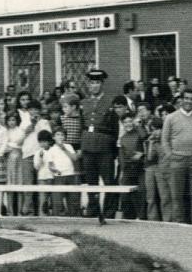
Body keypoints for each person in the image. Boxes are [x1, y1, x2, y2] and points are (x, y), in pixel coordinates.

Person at [162, 89, 192, 225]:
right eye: (187, 98)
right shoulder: (170, 118)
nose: (189, 101)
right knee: (177, 194)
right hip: (177, 159)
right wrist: (170, 155)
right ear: (181, 100)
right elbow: (165, 140)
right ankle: (179, 223)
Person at [80, 69, 118, 218]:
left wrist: (113, 149)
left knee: (108, 180)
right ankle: (93, 209)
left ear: (102, 84)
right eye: (92, 83)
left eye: (97, 83)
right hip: (88, 145)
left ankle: (109, 212)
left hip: (104, 146)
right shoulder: (84, 103)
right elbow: (81, 125)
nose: (94, 86)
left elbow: (115, 127)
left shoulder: (110, 102)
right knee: (91, 180)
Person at [34, 129, 79, 216]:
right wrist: (58, 173)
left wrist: (64, 149)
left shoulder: (69, 146)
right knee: (58, 202)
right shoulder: (52, 150)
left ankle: (73, 217)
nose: (60, 137)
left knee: (73, 201)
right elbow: (50, 166)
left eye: (62, 135)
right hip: (59, 177)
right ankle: (57, 218)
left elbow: (75, 158)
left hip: (71, 175)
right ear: (54, 137)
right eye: (58, 135)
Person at [19, 100, 51, 215]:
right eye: (31, 110)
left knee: (42, 184)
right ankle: (28, 211)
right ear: (28, 111)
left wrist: (38, 125)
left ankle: (42, 211)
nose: (34, 112)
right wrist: (28, 129)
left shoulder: (44, 122)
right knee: (28, 184)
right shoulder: (23, 122)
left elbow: (48, 139)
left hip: (41, 156)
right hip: (27, 155)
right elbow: (18, 140)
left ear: (40, 111)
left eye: (36, 110)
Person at [143, 117, 171, 222]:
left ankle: (168, 220)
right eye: (153, 130)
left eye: (158, 129)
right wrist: (151, 143)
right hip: (153, 168)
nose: (156, 132)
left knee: (165, 196)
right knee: (151, 197)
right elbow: (150, 157)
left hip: (165, 169)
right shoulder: (153, 141)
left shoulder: (168, 140)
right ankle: (153, 219)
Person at [118, 115, 145, 219]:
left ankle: (141, 217)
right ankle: (128, 217)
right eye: (125, 122)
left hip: (140, 167)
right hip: (128, 168)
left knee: (141, 192)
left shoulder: (139, 133)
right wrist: (123, 170)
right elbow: (121, 156)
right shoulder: (122, 138)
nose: (128, 124)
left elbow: (144, 136)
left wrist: (138, 125)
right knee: (125, 193)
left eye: (130, 121)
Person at [4, 112, 27, 215]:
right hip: (8, 159)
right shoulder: (5, 131)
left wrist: (10, 145)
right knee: (9, 184)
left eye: (13, 120)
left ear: (17, 120)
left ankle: (19, 211)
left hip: (19, 159)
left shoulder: (21, 131)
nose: (11, 122)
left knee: (19, 184)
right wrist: (9, 146)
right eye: (9, 120)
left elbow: (20, 144)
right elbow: (4, 146)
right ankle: (10, 211)